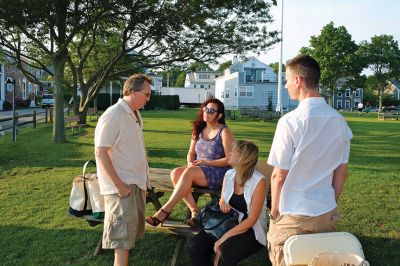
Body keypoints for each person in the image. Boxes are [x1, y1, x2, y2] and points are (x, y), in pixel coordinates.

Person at [267, 54, 353, 266]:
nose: (286, 85)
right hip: (325, 212)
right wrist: (331, 201)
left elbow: (279, 175)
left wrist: (275, 211)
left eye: (287, 80)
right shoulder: (340, 121)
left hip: (292, 213)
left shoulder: (290, 122)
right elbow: (341, 172)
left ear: (298, 80)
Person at [146, 98, 234, 226]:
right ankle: (195, 211)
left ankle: (164, 211)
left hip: (218, 172)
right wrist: (189, 163)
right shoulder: (198, 129)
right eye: (205, 109)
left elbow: (230, 159)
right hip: (197, 169)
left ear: (219, 115)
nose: (206, 112)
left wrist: (207, 163)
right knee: (175, 173)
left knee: (189, 173)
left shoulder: (224, 131)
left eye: (211, 111)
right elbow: (191, 152)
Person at [94, 74, 152, 266]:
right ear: (132, 92)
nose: (148, 98)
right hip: (122, 187)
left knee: (129, 237)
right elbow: (100, 152)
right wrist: (119, 185)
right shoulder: (114, 115)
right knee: (122, 242)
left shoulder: (134, 114)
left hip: (135, 183)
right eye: (146, 94)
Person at [188, 140, 268, 266]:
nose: (229, 154)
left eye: (233, 152)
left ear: (243, 157)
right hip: (226, 222)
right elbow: (223, 198)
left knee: (224, 252)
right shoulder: (229, 174)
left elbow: (252, 219)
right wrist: (222, 202)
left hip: (251, 230)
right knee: (195, 245)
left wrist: (223, 238)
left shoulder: (259, 182)